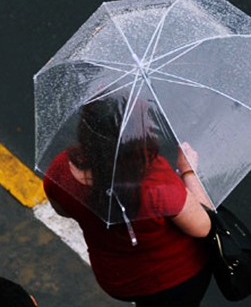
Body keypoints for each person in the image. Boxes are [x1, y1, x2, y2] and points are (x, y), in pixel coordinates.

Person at [43, 93, 214, 307]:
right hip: (174, 279)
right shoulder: (155, 182)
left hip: (117, 278)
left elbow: (63, 211)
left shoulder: (60, 171)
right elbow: (203, 226)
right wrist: (189, 172)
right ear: (139, 135)